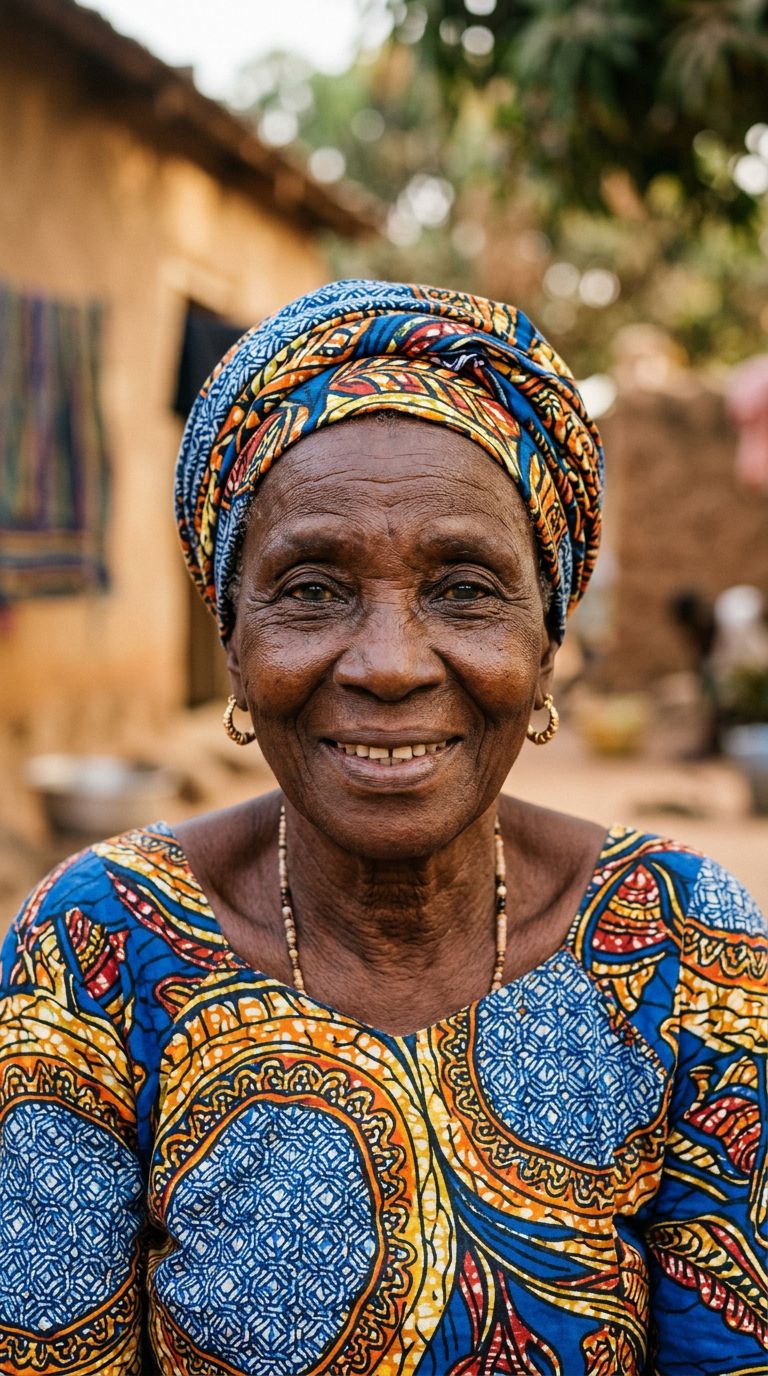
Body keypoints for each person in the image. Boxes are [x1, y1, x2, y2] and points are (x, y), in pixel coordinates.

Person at [1, 280, 766, 1375]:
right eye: (311, 590)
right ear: (232, 637)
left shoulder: (681, 942)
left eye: (465, 589)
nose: (392, 662)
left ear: (547, 645)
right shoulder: (95, 948)